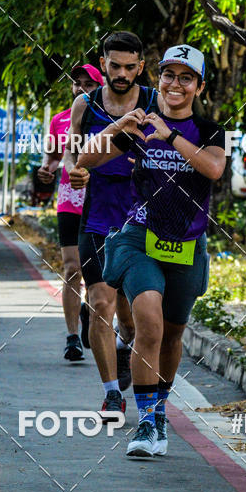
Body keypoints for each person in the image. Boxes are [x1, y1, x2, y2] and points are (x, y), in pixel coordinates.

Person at [68, 44, 226, 458]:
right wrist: (118, 127)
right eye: (169, 75)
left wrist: (170, 135)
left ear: (199, 87)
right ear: (159, 78)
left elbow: (213, 168)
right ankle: (147, 422)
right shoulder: (140, 125)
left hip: (187, 242)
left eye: (186, 78)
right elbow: (85, 159)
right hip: (140, 237)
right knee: (149, 324)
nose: (176, 84)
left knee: (172, 335)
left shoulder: (209, 131)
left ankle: (159, 412)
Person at [64, 31, 159, 416]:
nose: (121, 74)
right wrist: (74, 171)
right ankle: (111, 394)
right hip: (98, 215)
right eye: (114, 66)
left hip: (141, 217)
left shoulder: (155, 102)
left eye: (129, 67)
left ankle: (124, 346)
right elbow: (71, 153)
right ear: (103, 64)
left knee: (132, 317)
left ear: (140, 67)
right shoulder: (84, 105)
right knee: (100, 301)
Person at [38, 63, 104, 363]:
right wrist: (47, 170)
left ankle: (89, 309)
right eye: (77, 83)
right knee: (71, 268)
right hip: (69, 199)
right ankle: (72, 336)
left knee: (95, 272)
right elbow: (53, 157)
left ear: (100, 87)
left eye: (89, 84)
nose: (81, 89)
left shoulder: (110, 118)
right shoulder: (59, 120)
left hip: (100, 202)